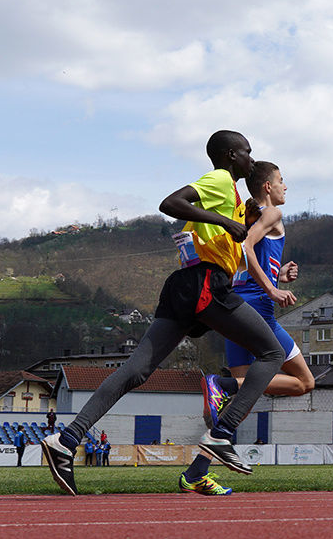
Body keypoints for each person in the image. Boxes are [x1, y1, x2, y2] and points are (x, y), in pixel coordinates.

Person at [40, 130, 285, 496]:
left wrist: (240, 221)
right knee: (272, 353)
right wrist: (227, 223)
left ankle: (67, 438)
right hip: (204, 283)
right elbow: (170, 203)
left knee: (136, 370)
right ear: (232, 155)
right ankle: (221, 434)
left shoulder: (231, 195)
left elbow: (218, 240)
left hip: (186, 285)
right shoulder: (219, 179)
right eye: (248, 152)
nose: (252, 159)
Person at [180, 160, 314, 496]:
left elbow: (240, 261)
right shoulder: (271, 214)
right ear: (267, 186)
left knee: (242, 400)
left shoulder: (246, 216)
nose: (286, 186)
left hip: (237, 306)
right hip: (258, 310)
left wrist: (277, 275)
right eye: (282, 180)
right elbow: (245, 246)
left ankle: (195, 473)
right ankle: (221, 382)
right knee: (304, 382)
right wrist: (271, 289)